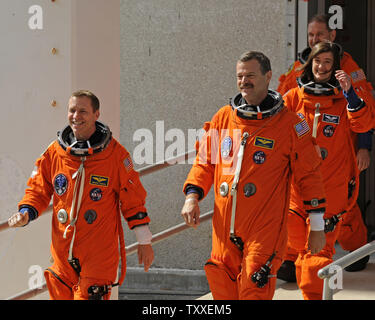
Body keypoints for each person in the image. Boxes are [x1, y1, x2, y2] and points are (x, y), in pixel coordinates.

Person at [181, 51, 327, 300]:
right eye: (239, 76)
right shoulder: (224, 118)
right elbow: (205, 162)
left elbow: (309, 177)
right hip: (224, 231)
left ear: (268, 76)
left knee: (254, 291)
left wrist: (317, 226)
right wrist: (192, 197)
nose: (244, 81)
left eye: (250, 75)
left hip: (265, 229)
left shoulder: (291, 124)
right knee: (223, 293)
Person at [8, 90, 154, 300]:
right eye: (72, 110)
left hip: (98, 255)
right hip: (62, 255)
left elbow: (133, 199)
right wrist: (26, 213)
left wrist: (144, 241)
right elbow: (38, 189)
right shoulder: (55, 153)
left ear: (96, 114)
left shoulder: (115, 155)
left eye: (83, 111)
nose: (76, 116)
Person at [276, 13, 374, 282]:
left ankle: (355, 249)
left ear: (331, 36)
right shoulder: (297, 79)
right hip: (303, 166)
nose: (314, 39)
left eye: (319, 35)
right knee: (295, 213)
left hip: (340, 152)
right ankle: (291, 257)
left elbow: (365, 115)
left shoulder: (348, 71)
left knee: (340, 206)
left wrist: (364, 147)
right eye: (310, 36)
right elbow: (278, 113)